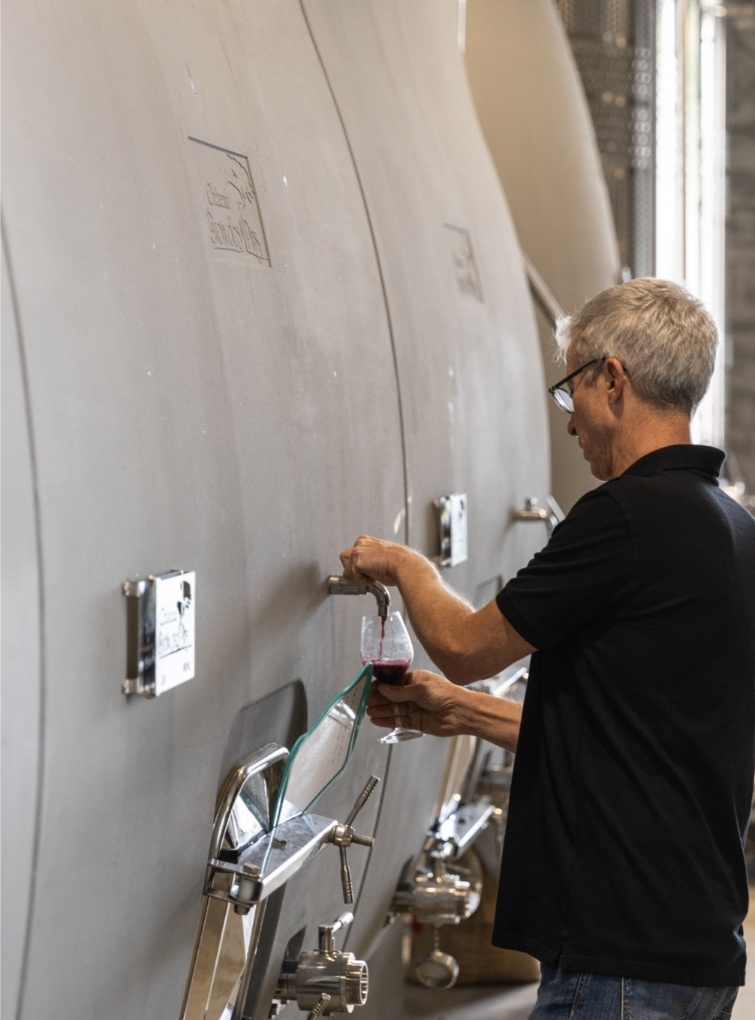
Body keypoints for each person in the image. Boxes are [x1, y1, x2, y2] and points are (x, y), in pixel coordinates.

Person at [340, 278, 755, 1020]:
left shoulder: (624, 517)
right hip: (694, 946)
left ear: (612, 379)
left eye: (570, 391)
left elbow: (465, 646)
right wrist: (461, 713)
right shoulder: (731, 527)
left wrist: (407, 567)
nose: (568, 424)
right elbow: (637, 738)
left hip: (615, 956)